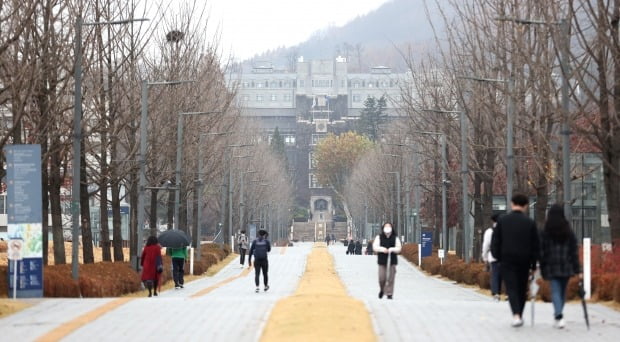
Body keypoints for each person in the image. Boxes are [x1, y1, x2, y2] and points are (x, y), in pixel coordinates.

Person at [491, 193, 540, 327]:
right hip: (524, 260)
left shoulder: (502, 221)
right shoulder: (529, 222)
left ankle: (516, 315)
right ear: (525, 206)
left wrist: (498, 256)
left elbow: (495, 242)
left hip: (507, 260)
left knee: (511, 287)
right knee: (521, 288)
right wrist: (534, 263)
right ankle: (520, 313)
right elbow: (536, 245)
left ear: (512, 204)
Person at [540, 204, 581, 329]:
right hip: (566, 265)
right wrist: (577, 268)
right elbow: (573, 251)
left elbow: (542, 250)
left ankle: (558, 315)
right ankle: (559, 314)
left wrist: (542, 266)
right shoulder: (568, 230)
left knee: (556, 291)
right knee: (563, 291)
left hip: (552, 266)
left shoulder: (545, 231)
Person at [373, 222, 402, 299]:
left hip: (392, 260)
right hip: (382, 260)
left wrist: (392, 249)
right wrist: (382, 249)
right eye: (386, 226)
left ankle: (389, 293)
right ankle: (382, 289)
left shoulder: (395, 238)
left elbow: (399, 248)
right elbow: (375, 247)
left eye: (389, 226)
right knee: (382, 278)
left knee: (391, 278)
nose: (387, 228)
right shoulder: (379, 237)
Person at [482, 213, 502, 301]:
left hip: (494, 256)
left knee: (495, 274)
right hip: (506, 257)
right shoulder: (506, 230)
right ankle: (508, 293)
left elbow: (486, 245)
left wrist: (485, 257)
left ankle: (496, 293)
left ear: (492, 221)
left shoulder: (489, 232)